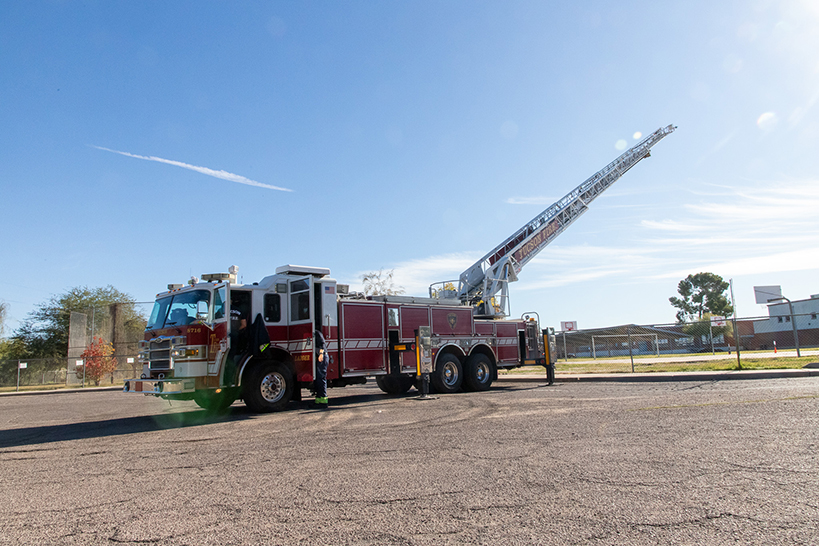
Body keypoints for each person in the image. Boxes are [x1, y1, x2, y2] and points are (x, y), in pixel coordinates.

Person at [310, 329, 329, 409]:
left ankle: (323, 401)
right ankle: (318, 401)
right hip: (320, 357)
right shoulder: (313, 334)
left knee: (321, 378)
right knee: (318, 379)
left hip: (322, 357)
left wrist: (321, 355)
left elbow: (322, 344)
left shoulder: (316, 333)